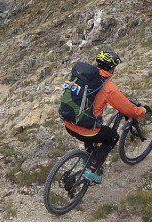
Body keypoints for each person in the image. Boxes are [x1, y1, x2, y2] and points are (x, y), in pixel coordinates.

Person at [63, 49, 146, 183]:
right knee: (113, 136)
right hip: (85, 129)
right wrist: (141, 111)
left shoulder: (83, 77)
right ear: (111, 67)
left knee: (92, 131)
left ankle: (89, 156)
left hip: (69, 123)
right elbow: (128, 110)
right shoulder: (108, 87)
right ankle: (93, 170)